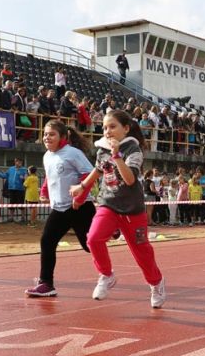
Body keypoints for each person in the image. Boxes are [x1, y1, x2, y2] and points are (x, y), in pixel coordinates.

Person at [69, 109, 166, 308]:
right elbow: (98, 170)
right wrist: (82, 187)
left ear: (126, 128)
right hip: (109, 204)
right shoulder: (102, 149)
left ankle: (156, 283)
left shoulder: (133, 149)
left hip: (132, 209)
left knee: (141, 252)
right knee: (93, 238)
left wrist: (117, 155)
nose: (107, 131)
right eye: (104, 127)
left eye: (112, 127)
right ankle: (106, 274)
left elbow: (129, 179)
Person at [25, 120, 97, 297]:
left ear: (63, 137)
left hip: (80, 207)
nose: (47, 138)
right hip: (60, 209)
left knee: (90, 245)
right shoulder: (47, 156)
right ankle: (46, 284)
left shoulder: (73, 153)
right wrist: (44, 192)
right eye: (45, 134)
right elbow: (49, 177)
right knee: (47, 241)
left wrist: (79, 198)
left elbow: (89, 175)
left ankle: (112, 230)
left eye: (52, 134)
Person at [0, 158, 28, 223]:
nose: (19, 163)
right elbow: (5, 176)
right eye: (18, 162)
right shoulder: (11, 169)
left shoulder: (24, 170)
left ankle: (23, 218)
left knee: (21, 203)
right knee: (12, 203)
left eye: (20, 162)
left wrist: (24, 178)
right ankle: (11, 217)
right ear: (15, 162)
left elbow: (27, 179)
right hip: (11, 188)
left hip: (20, 189)